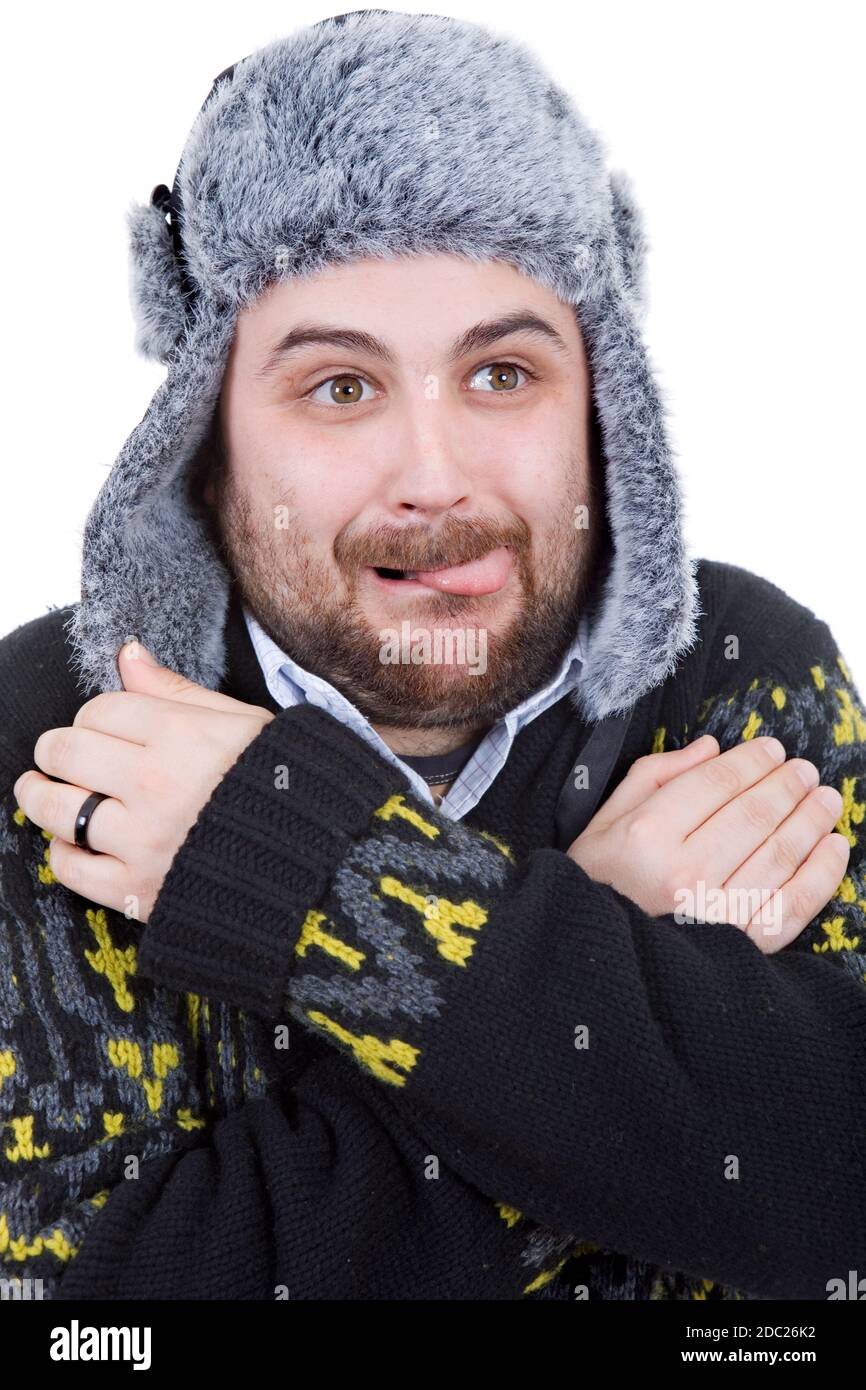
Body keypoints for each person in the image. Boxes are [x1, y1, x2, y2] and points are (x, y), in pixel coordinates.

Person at [1, 9, 864, 1302]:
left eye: (503, 373)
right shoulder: (49, 739)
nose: (433, 476)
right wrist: (603, 943)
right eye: (339, 386)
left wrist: (307, 868)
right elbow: (91, 1318)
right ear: (205, 425)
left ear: (599, 398)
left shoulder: (737, 674)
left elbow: (833, 1186)